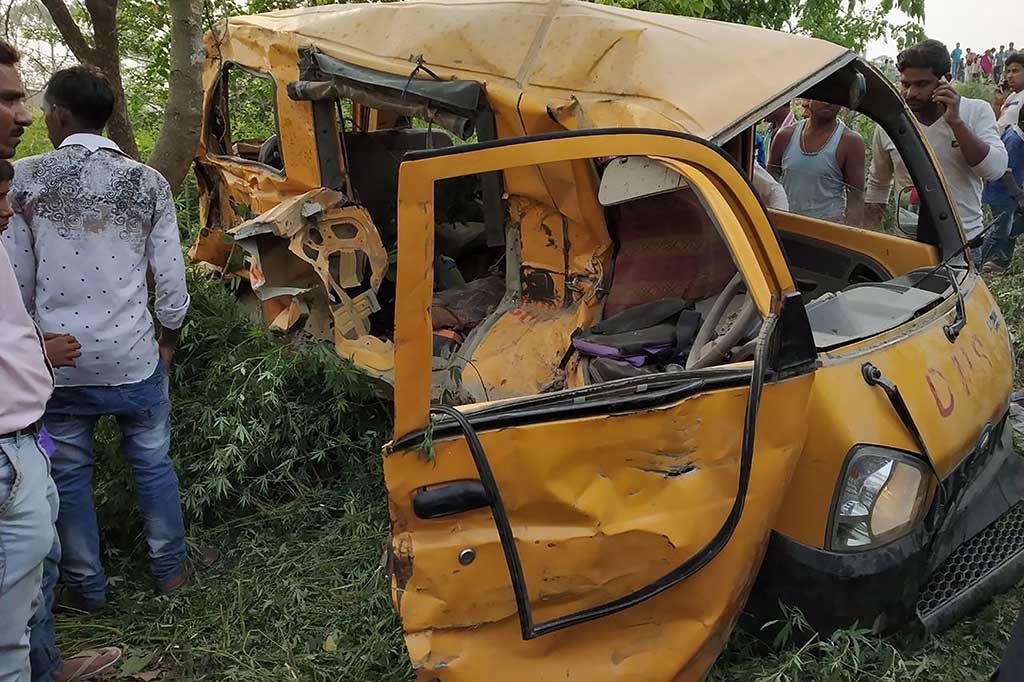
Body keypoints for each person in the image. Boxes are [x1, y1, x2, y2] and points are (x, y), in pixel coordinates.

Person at [6, 65, 219, 617]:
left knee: (68, 474)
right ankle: (170, 571)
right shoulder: (146, 182)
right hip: (133, 358)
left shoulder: (26, 180)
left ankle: (86, 587)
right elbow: (171, 282)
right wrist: (167, 343)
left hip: (60, 364)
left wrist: (33, 351)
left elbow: (18, 281)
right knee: (152, 464)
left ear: (58, 114)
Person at [865, 39, 1008, 244]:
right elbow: (878, 184)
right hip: (908, 242)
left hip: (963, 242)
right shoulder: (891, 123)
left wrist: (956, 122)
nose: (911, 93)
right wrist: (870, 237)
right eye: (905, 83)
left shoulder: (976, 111)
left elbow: (994, 170)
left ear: (946, 80)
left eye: (922, 84)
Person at [767, 99, 865, 225]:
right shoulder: (785, 136)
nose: (829, 102)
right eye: (823, 95)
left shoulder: (850, 142)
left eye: (836, 95)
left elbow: (856, 201)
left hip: (828, 229)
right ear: (808, 99)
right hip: (787, 225)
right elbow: (769, 186)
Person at [978, 104, 1024, 273]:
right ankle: (977, 264)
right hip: (1002, 194)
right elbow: (1006, 172)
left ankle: (1000, 260)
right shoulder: (1014, 140)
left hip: (1009, 193)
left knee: (1010, 228)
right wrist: (1020, 195)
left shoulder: (1017, 135)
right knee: (1000, 232)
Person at [998, 53, 1024, 132]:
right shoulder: (1011, 97)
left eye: (1015, 71)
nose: (1009, 75)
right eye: (1008, 72)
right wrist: (997, 104)